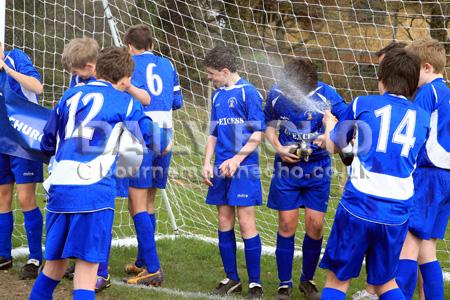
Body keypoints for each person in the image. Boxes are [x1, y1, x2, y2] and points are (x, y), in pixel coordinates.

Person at [29, 47, 152, 300]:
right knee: (86, 271)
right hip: (93, 191)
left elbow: (47, 143)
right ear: (126, 79)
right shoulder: (126, 102)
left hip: (60, 188)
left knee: (54, 265)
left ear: (97, 69)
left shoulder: (70, 95)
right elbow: (151, 137)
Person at [318, 48, 430, 300]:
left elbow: (333, 147)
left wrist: (330, 126)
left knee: (338, 280)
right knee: (386, 283)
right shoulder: (423, 119)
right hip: (397, 211)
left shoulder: (362, 103)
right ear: (414, 86)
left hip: (360, 204)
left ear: (380, 80)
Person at [264, 57, 347, 300]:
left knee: (315, 225)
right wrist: (278, 147)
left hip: (318, 168)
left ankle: (307, 281)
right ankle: (284, 283)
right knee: (287, 224)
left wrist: (329, 135)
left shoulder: (327, 94)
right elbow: (268, 123)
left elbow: (346, 121)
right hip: (287, 170)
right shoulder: (277, 94)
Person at [117, 24, 183, 287]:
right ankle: (144, 260)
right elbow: (177, 103)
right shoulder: (168, 64)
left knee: (136, 203)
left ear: (129, 46)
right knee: (150, 201)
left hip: (141, 134)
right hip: (166, 135)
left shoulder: (129, 64)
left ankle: (153, 268)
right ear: (152, 45)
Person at [202, 45, 265, 299]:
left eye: (211, 74)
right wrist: (207, 162)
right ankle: (232, 278)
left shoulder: (249, 93)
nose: (209, 78)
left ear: (225, 71)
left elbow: (257, 134)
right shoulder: (217, 96)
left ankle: (255, 283)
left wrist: (237, 159)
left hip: (244, 167)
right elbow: (213, 133)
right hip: (220, 167)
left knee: (246, 221)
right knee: (224, 220)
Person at [352, 40, 408, 300]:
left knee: (338, 278)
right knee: (387, 273)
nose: (378, 76)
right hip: (396, 196)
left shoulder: (373, 103)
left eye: (382, 69)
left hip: (382, 192)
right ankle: (373, 290)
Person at [396, 37, 450, 300]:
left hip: (428, 175)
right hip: (446, 177)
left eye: (413, 68)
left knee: (408, 245)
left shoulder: (428, 93)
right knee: (427, 250)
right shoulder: (447, 93)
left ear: (427, 67)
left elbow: (415, 132)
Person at [0, 42, 44, 279]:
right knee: (2, 197)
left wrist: (7, 68)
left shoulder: (16, 58)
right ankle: (4, 255)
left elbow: (37, 87)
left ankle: (35, 256)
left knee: (25, 197)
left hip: (22, 141)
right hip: (0, 142)